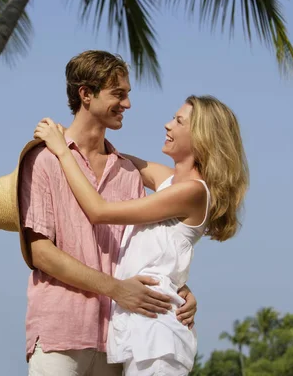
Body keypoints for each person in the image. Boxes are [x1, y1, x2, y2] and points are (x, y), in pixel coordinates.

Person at [33, 95, 249, 375]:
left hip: (156, 335)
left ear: (201, 137)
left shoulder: (192, 192)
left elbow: (99, 211)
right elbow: (111, 159)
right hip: (139, 328)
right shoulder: (169, 181)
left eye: (179, 121)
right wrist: (71, 138)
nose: (167, 125)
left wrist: (62, 151)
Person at [19, 50, 198, 376]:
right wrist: (116, 289)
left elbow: (139, 252)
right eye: (119, 93)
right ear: (86, 94)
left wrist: (177, 288)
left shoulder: (129, 172)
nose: (128, 104)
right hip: (62, 331)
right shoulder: (43, 160)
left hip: (119, 338)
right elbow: (41, 253)